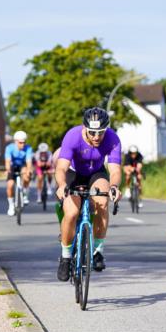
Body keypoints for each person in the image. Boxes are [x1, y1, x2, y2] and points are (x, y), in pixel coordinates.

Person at [54, 107, 123, 280]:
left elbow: (114, 170)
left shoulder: (113, 139)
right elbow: (61, 167)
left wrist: (114, 186)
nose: (96, 137)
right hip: (73, 172)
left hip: (96, 172)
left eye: (100, 132)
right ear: (85, 128)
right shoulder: (73, 136)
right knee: (71, 212)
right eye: (92, 132)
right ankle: (66, 257)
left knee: (102, 202)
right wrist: (62, 185)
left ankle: (98, 251)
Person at [4, 130, 33, 216]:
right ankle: (11, 205)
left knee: (27, 174)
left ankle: (25, 194)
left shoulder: (28, 148)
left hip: (22, 166)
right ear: (15, 141)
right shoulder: (9, 148)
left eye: (24, 142)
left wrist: (29, 170)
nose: (22, 144)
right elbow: (7, 161)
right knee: (10, 185)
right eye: (20, 143)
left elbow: (28, 161)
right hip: (12, 167)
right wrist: (8, 170)